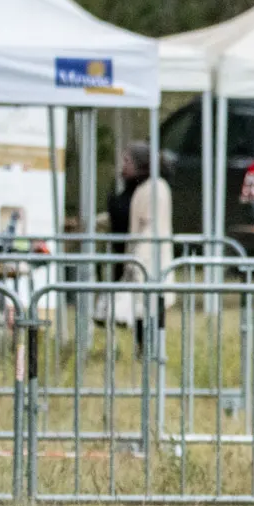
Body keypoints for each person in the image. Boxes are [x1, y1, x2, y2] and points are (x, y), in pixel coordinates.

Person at [102, 142, 173, 350]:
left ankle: (151, 352)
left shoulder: (153, 188)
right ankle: (145, 350)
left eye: (127, 161)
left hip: (149, 257)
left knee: (150, 307)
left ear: (140, 164)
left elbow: (151, 225)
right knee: (143, 309)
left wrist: (137, 259)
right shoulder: (144, 187)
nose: (122, 166)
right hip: (143, 255)